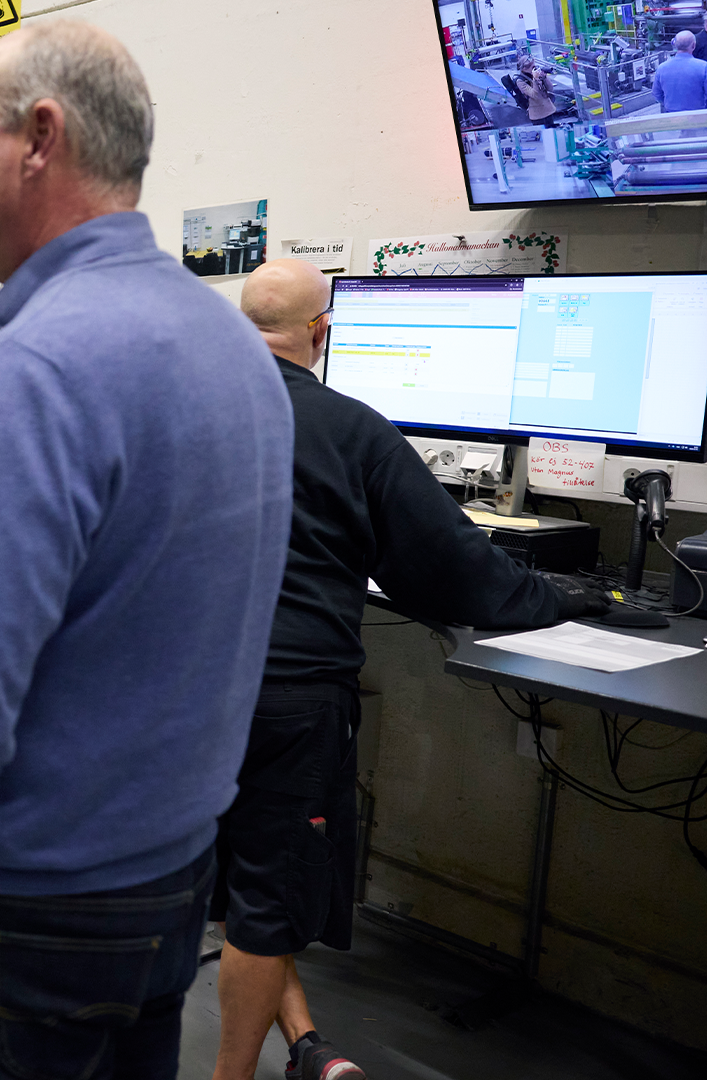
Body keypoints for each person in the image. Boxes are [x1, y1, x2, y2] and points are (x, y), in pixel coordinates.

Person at [0, 22, 294, 1080]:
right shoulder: (233, 345)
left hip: (18, 912)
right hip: (168, 884)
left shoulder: (37, 368)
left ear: (41, 139)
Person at [211, 260, 588, 1080]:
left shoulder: (176, 406)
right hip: (289, 700)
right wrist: (564, 598)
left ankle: (304, 1045)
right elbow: (453, 574)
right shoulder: (353, 429)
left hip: (179, 691)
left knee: (228, 877)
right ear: (322, 332)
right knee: (270, 902)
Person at [653, 31, 707, 114]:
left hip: (671, 116)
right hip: (697, 117)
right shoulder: (704, 67)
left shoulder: (661, 68)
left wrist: (670, 105)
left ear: (675, 45)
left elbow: (657, 94)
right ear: (693, 45)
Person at [516, 55, 558, 125]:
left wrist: (544, 78)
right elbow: (535, 95)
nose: (534, 69)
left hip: (549, 110)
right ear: (524, 69)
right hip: (537, 115)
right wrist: (535, 79)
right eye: (532, 67)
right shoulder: (520, 81)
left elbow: (550, 89)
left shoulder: (537, 74)